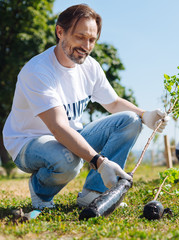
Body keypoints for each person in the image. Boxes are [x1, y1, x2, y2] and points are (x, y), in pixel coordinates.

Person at [2, 4, 168, 210]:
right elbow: (58, 128)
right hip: (28, 143)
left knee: (130, 121)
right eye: (80, 37)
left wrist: (145, 115)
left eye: (92, 40)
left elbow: (114, 103)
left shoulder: (90, 67)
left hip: (70, 135)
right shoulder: (38, 71)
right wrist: (99, 162)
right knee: (68, 160)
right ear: (60, 32)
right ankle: (41, 191)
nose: (86, 46)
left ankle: (94, 193)